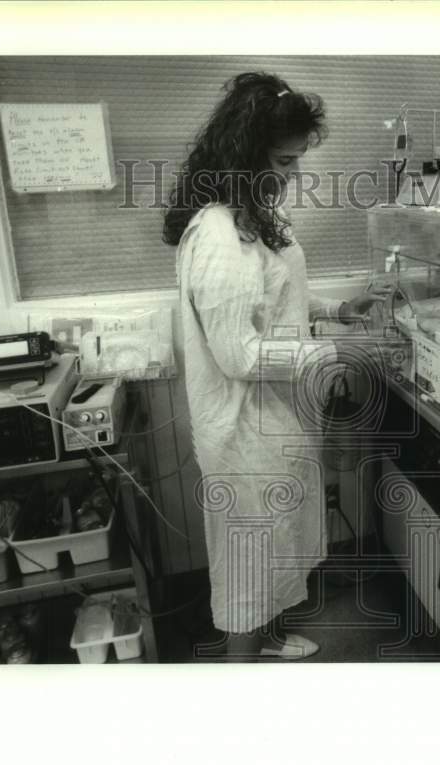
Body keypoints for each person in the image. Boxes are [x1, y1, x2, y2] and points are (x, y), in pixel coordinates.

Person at [163, 72, 390, 660]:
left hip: (276, 418)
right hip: (244, 430)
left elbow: (274, 293)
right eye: (284, 162)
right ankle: (241, 670)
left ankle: (266, 638)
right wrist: (337, 353)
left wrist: (338, 309)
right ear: (245, 156)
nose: (293, 175)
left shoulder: (253, 214)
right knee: (250, 559)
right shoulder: (217, 233)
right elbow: (238, 353)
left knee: (275, 545)